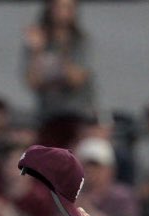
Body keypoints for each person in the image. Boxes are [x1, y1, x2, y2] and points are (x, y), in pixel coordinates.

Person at [22, 0, 98, 149]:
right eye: (59, 7)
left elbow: (76, 79)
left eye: (68, 7)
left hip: (77, 115)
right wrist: (36, 52)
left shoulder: (81, 41)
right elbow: (32, 82)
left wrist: (61, 47)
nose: (63, 12)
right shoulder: (38, 42)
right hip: (47, 116)